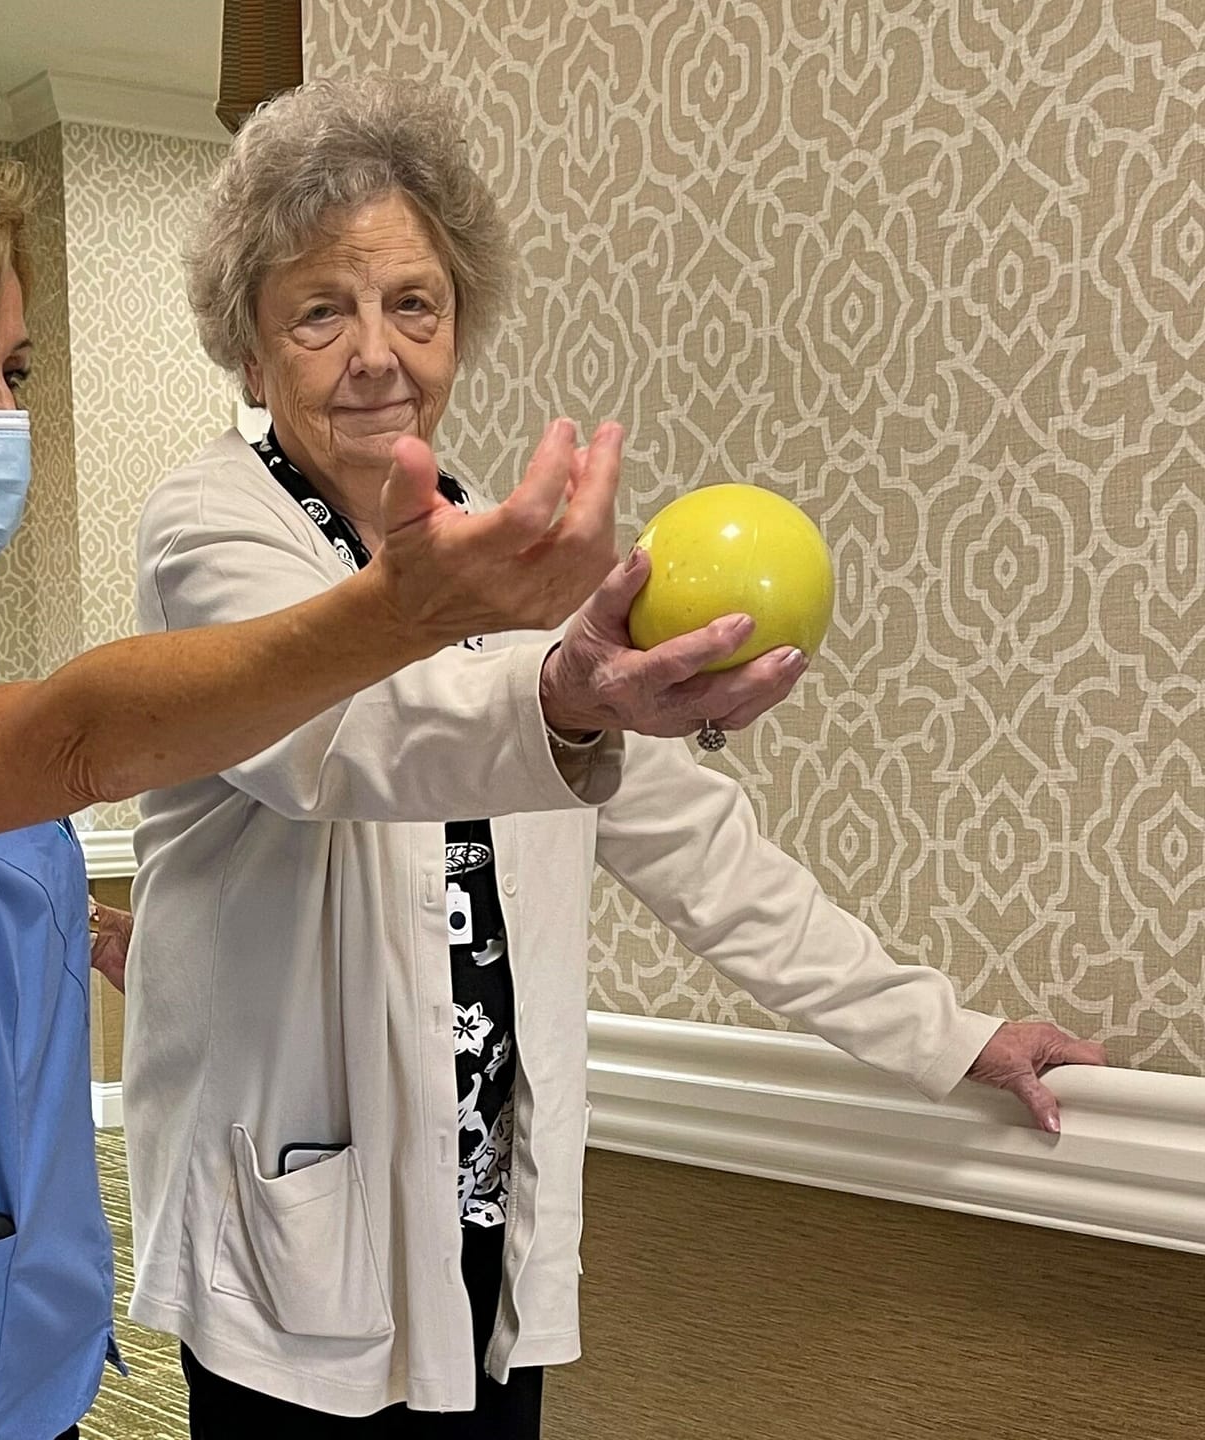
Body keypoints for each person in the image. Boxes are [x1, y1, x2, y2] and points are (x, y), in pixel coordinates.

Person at [0, 124, 624, 1440]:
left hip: (2, 1359)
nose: (2, 421)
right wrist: (403, 611)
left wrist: (138, 942)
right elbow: (72, 743)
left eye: (9, 370)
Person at [122, 77, 1109, 1438]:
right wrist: (566, 699)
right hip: (300, 1223)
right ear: (249, 348)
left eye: (415, 302)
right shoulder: (209, 533)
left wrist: (952, 1036)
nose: (377, 354)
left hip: (484, 1210)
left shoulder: (505, 545)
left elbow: (695, 845)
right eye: (319, 310)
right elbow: (337, 742)